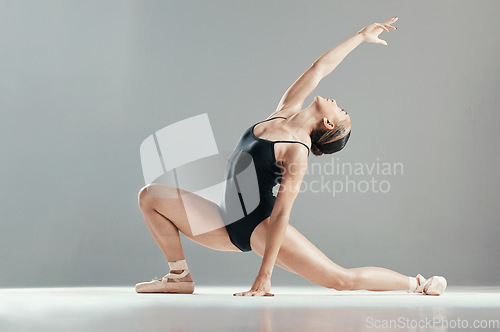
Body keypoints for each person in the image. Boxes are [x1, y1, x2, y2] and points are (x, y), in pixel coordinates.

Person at [135, 16, 447, 296]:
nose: (337, 102)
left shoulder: (296, 152)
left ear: (327, 123)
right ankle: (179, 277)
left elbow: (282, 214)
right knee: (150, 196)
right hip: (222, 216)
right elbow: (320, 68)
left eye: (341, 111)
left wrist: (264, 276)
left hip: (258, 226)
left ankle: (417, 283)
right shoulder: (282, 114)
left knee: (340, 279)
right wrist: (360, 37)